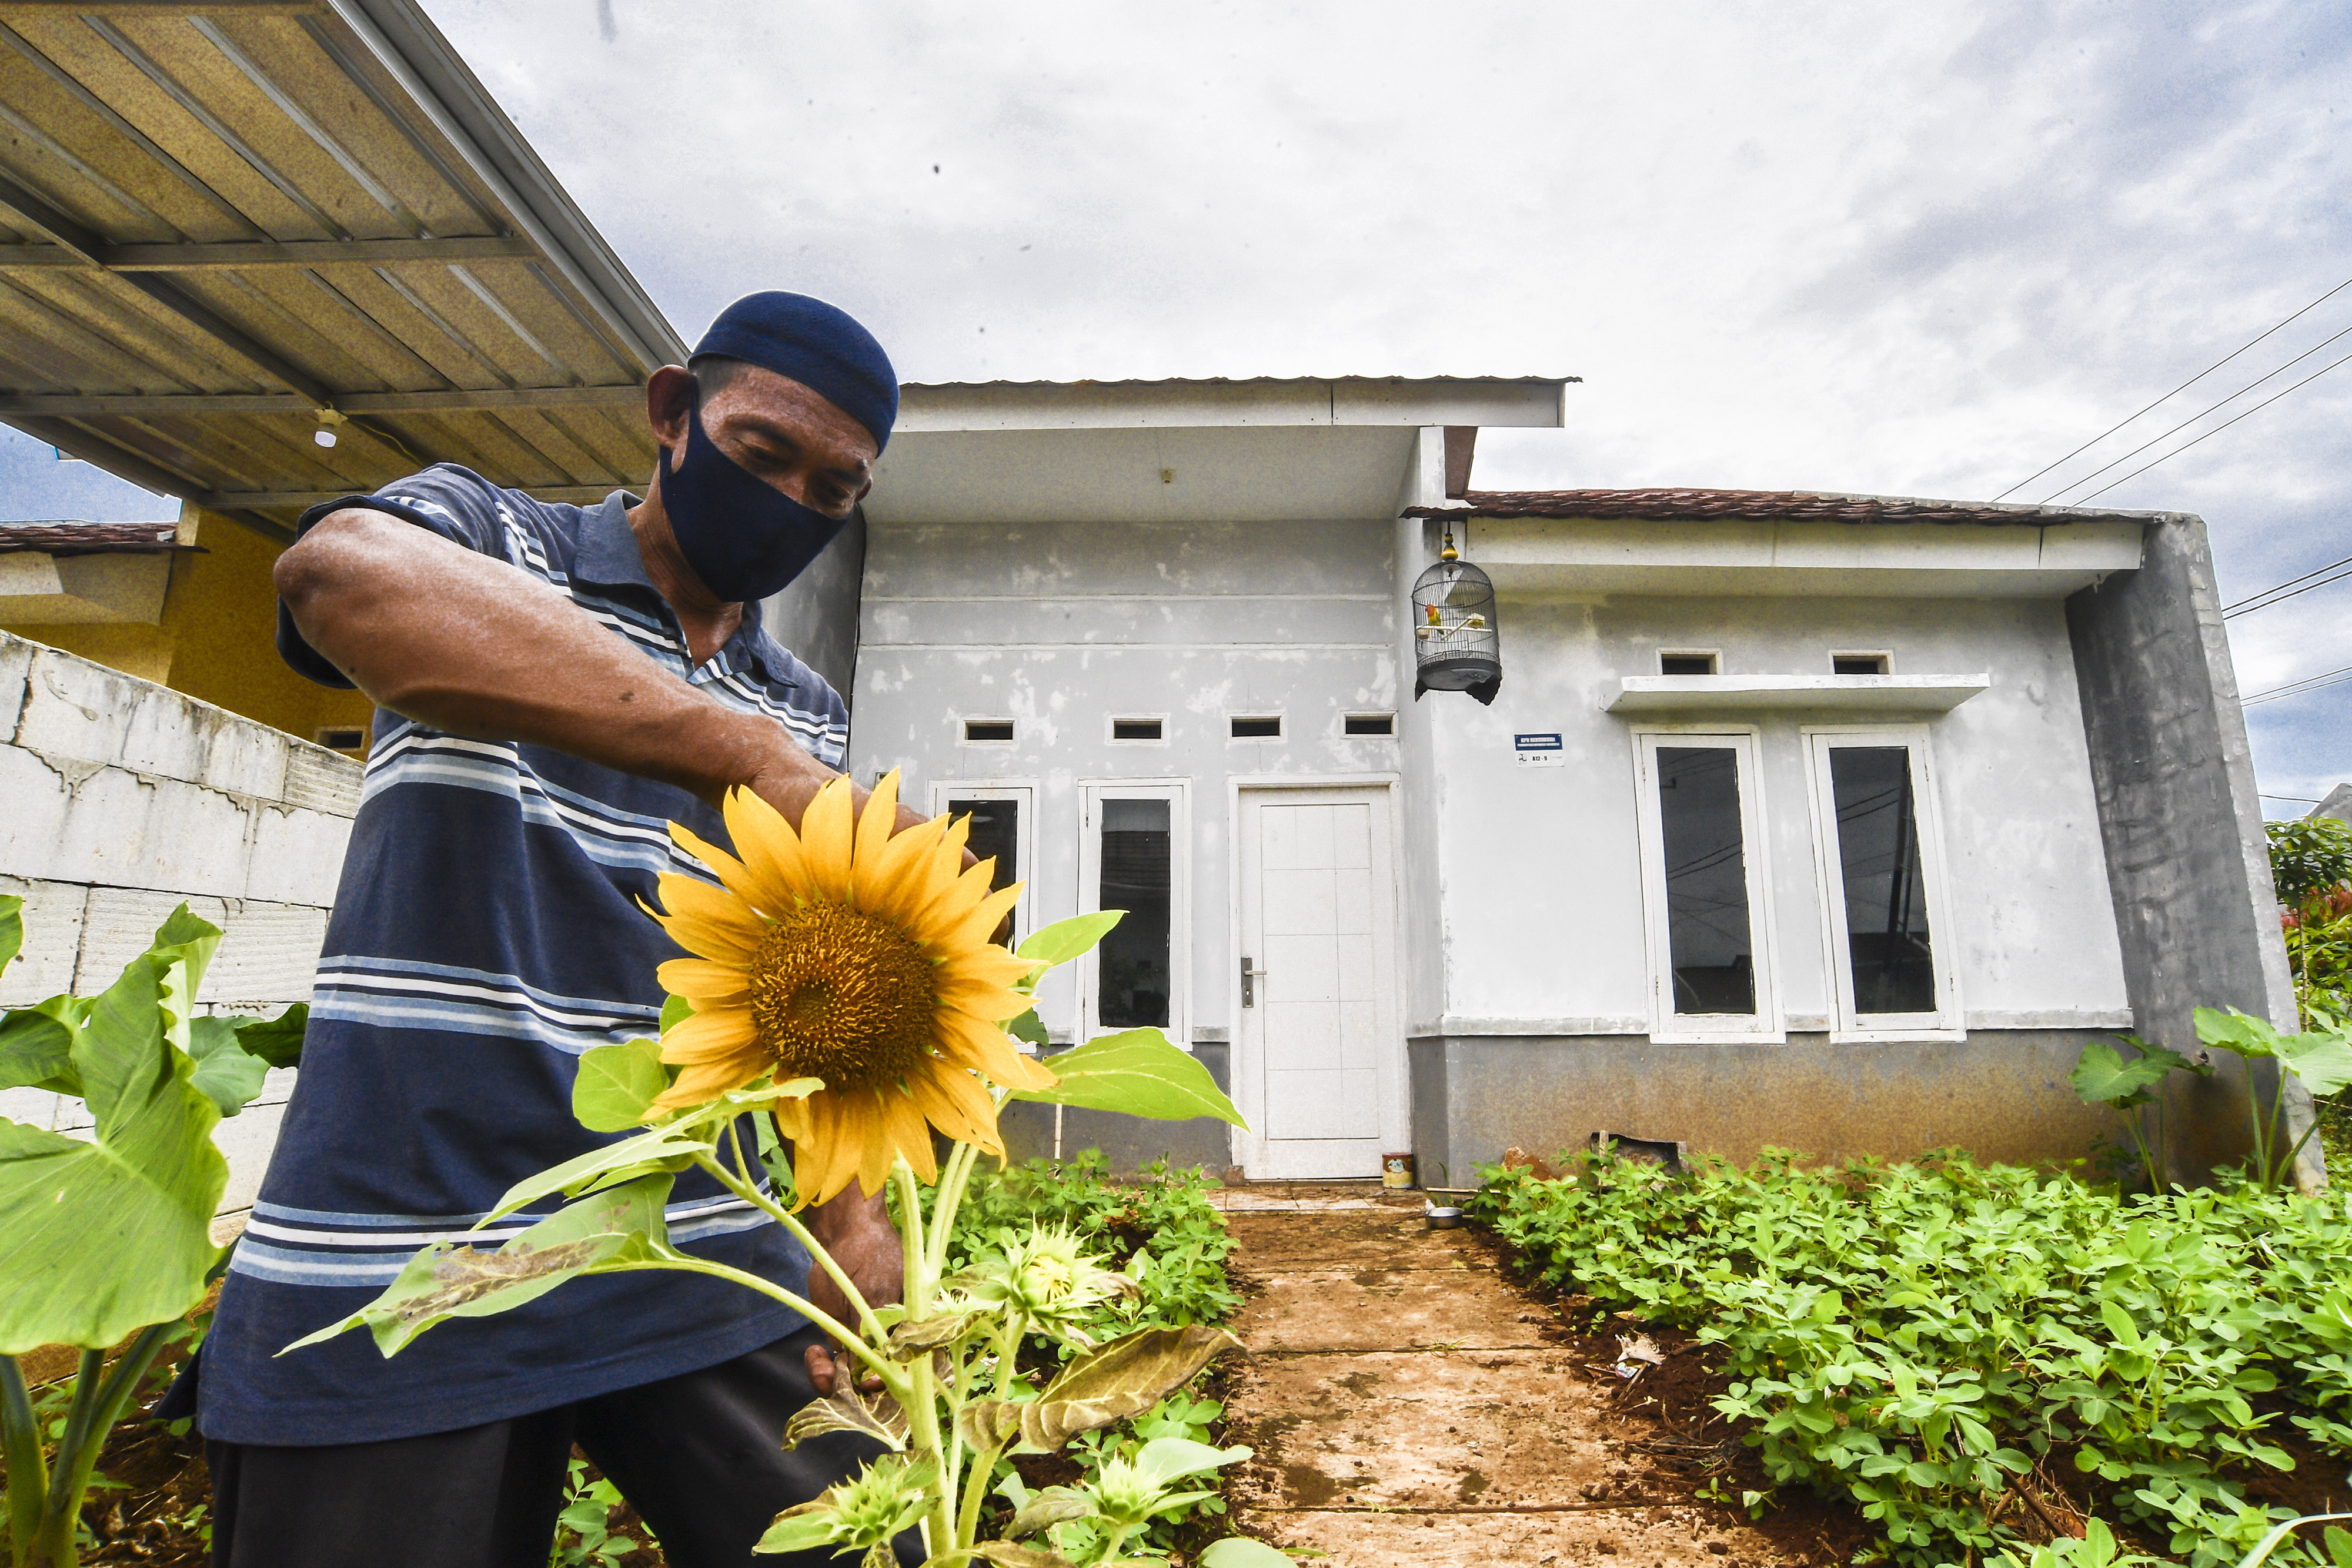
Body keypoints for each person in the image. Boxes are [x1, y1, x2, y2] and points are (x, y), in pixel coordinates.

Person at [185, 293, 929, 1568]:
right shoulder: (491, 538)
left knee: (883, 1543)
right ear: (670, 413)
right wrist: (727, 750)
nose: (797, 500)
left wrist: (854, 1215)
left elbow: (800, 987)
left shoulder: (801, 701)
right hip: (410, 1252)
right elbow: (336, 578)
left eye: (835, 488)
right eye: (764, 455)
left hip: (701, 1245)